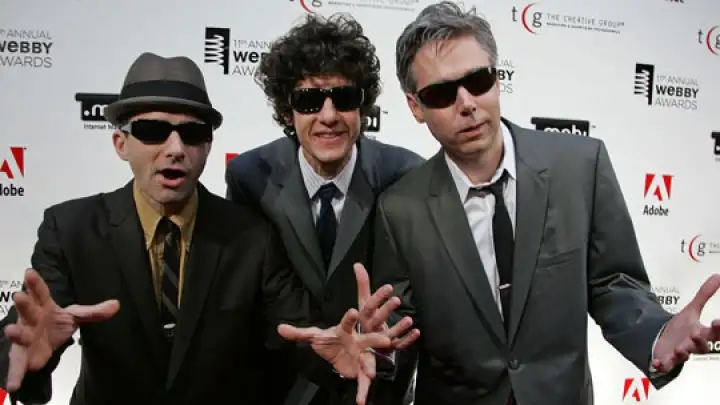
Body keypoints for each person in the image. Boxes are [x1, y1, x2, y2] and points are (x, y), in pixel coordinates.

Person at [0, 52, 417, 405]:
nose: (175, 149)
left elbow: (299, 336)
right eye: (153, 131)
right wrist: (26, 358)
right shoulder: (71, 229)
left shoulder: (251, 236)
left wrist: (341, 359)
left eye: (193, 133)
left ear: (208, 146)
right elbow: (27, 331)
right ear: (120, 143)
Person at [368, 2, 720, 405]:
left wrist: (657, 335)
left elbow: (613, 284)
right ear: (416, 107)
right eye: (442, 93)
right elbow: (398, 329)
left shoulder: (580, 166)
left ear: (497, 80)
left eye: (478, 81)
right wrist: (375, 353)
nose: (466, 103)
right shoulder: (400, 208)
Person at [225, 12, 424, 405]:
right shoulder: (250, 177)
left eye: (344, 99)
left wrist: (377, 345)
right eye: (309, 100)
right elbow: (255, 294)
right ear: (287, 111)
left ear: (363, 107)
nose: (329, 116)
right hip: (282, 386)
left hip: (373, 388)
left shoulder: (404, 176)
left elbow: (406, 293)